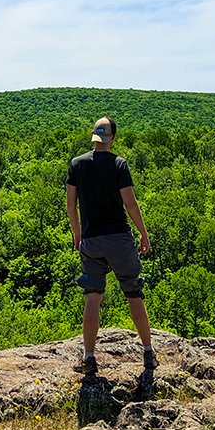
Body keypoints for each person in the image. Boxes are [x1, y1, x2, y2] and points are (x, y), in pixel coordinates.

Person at [65, 117, 157, 375]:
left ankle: (89, 357)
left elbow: (71, 206)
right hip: (118, 238)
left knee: (92, 296)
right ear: (112, 138)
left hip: (91, 240)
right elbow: (131, 203)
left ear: (94, 136)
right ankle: (148, 354)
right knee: (133, 293)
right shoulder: (119, 164)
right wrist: (143, 233)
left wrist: (77, 234)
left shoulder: (77, 165)